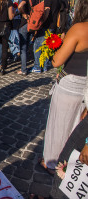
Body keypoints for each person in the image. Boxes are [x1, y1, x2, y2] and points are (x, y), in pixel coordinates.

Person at [41, 0, 88, 175]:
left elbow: (56, 61)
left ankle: (52, 163)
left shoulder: (79, 28)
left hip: (70, 85)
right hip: (86, 84)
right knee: (76, 125)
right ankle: (70, 162)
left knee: (60, 125)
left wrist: (56, 46)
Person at [30, 0, 61, 73]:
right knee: (47, 47)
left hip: (46, 26)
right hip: (53, 26)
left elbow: (47, 11)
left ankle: (37, 66)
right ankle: (45, 66)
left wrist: (41, 22)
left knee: (37, 46)